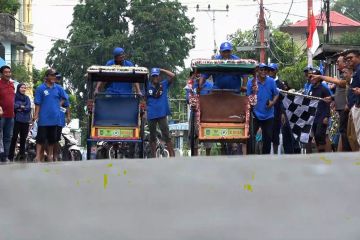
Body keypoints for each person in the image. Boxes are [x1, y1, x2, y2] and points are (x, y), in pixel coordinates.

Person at [310, 55, 351, 151]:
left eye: (338, 61)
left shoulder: (349, 74)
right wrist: (332, 98)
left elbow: (340, 83)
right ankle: (342, 154)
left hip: (346, 108)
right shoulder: (342, 74)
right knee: (342, 133)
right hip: (340, 109)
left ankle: (347, 155)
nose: (337, 63)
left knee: (345, 133)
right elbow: (340, 91)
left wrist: (321, 76)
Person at [33, 68, 68, 162]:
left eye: (54, 75)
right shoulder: (41, 88)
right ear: (47, 76)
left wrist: (58, 105)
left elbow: (65, 97)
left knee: (52, 139)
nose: (54, 77)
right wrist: (36, 115)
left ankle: (50, 155)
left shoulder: (58, 88)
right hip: (44, 118)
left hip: (55, 118)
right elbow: (37, 103)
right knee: (40, 138)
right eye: (52, 75)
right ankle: (37, 156)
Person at [247, 63, 279, 154]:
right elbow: (248, 97)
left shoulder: (271, 81)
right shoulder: (251, 82)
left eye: (265, 70)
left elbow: (276, 94)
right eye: (261, 69)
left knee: (268, 138)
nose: (264, 71)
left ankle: (266, 158)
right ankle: (250, 157)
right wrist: (253, 94)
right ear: (257, 71)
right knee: (251, 137)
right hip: (255, 114)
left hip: (268, 115)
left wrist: (272, 103)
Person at [146, 68, 175, 158]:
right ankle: (153, 157)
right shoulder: (147, 86)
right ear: (151, 77)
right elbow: (144, 99)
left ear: (159, 76)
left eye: (157, 75)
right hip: (151, 114)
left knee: (166, 135)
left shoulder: (164, 84)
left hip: (162, 114)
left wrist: (161, 70)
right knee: (152, 136)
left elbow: (172, 76)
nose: (155, 77)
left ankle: (172, 156)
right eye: (154, 75)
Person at [267, 63, 295, 154]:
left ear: (276, 71)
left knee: (275, 135)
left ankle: (275, 154)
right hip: (266, 112)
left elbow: (284, 100)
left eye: (272, 70)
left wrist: (283, 113)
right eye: (269, 70)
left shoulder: (280, 84)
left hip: (277, 112)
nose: (270, 72)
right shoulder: (265, 82)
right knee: (265, 134)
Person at [185, 72, 213, 156]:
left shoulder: (210, 85)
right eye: (196, 74)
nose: (198, 76)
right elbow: (187, 99)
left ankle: (208, 156)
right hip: (194, 112)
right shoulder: (191, 85)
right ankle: (195, 156)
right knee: (192, 135)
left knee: (207, 134)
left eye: (200, 74)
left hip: (206, 113)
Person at [308, 73, 331, 152]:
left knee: (320, 135)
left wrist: (327, 116)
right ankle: (320, 156)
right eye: (310, 77)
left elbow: (328, 102)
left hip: (322, 117)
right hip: (313, 117)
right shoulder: (311, 88)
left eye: (313, 77)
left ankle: (325, 157)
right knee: (316, 137)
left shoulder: (324, 88)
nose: (311, 79)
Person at [8, 83, 31, 161]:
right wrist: (21, 107)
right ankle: (10, 156)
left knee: (23, 138)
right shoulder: (14, 96)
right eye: (22, 87)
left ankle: (22, 155)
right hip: (16, 120)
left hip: (25, 121)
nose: (23, 89)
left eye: (25, 88)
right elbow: (13, 105)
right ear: (18, 88)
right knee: (14, 138)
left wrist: (19, 107)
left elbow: (28, 108)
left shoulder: (27, 98)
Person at [0, 65, 15, 162]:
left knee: (8, 137)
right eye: (5, 72)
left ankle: (5, 157)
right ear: (1, 74)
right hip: (1, 116)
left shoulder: (12, 84)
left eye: (9, 72)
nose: (8, 74)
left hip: (10, 116)